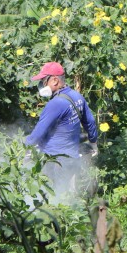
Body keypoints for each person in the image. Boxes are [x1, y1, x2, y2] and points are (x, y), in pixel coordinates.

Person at [25, 62, 98, 195]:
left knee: (55, 195)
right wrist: (93, 144)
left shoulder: (56, 103)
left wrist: (25, 148)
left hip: (54, 160)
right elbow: (91, 122)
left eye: (43, 81)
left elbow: (38, 133)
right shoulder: (77, 97)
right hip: (72, 157)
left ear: (54, 80)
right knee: (69, 193)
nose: (41, 85)